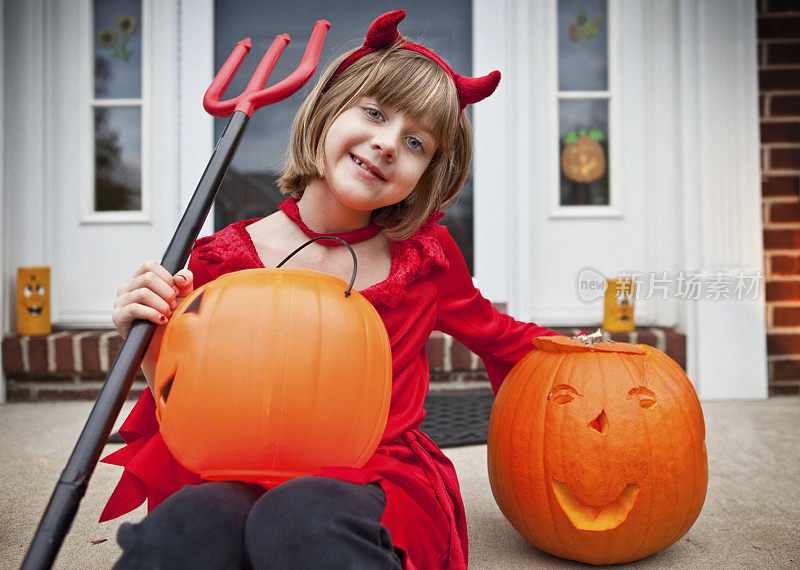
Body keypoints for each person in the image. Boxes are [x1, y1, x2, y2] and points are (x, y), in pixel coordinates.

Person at [103, 10, 555, 569]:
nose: (388, 143)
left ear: (427, 173)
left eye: (416, 142)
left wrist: (591, 357)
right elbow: (185, 400)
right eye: (374, 113)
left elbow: (505, 339)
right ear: (326, 110)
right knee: (192, 525)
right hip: (246, 462)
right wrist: (146, 343)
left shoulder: (425, 259)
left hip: (372, 472)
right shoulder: (221, 261)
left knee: (300, 518)